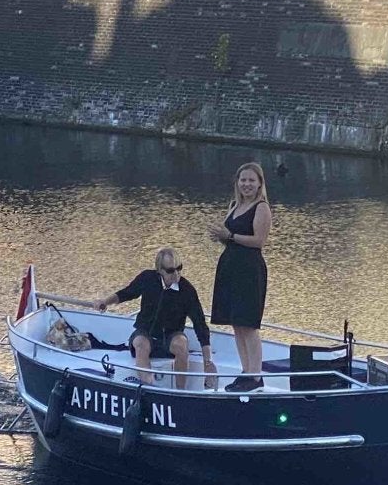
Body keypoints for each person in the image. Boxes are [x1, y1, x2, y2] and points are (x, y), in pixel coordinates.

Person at [93, 246, 213, 389]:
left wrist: (208, 363)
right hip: (146, 332)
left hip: (171, 336)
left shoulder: (187, 290)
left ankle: (180, 390)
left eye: (179, 268)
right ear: (159, 270)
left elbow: (200, 325)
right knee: (140, 343)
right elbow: (126, 293)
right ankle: (148, 387)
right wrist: (105, 302)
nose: (176, 274)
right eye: (170, 270)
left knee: (181, 343)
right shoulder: (147, 278)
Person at [209, 163, 271, 393]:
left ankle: (256, 377)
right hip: (230, 267)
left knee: (249, 323)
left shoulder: (261, 208)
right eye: (243, 180)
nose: (246, 184)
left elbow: (258, 241)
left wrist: (230, 235)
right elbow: (230, 238)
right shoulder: (235, 205)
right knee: (236, 323)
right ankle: (246, 371)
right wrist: (221, 237)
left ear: (259, 184)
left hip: (249, 269)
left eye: (251, 181)